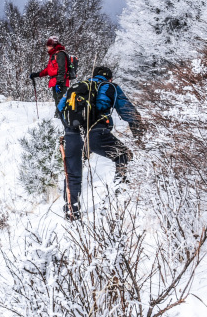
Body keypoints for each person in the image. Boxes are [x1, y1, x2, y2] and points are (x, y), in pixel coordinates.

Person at [57, 66, 145, 221]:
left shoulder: (77, 87)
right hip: (95, 133)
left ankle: (72, 211)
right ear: (109, 78)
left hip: (72, 134)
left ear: (93, 76)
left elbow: (59, 108)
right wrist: (141, 137)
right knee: (123, 155)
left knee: (72, 172)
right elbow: (128, 112)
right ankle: (120, 193)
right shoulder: (109, 87)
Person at [29, 36, 72, 109]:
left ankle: (60, 118)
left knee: (61, 102)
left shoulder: (60, 54)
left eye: (48, 46)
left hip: (60, 82)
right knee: (57, 101)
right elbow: (48, 70)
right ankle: (58, 117)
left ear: (53, 45)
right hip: (54, 82)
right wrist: (36, 74)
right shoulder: (53, 55)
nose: (47, 48)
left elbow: (62, 69)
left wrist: (59, 82)